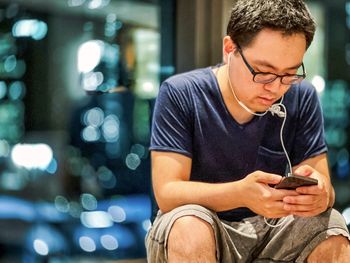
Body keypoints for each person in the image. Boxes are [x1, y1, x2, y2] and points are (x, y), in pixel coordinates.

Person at [145, 0, 350, 262]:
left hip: (273, 226)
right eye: (264, 73)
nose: (276, 89)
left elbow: (326, 188)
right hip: (203, 222)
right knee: (189, 227)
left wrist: (319, 195)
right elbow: (168, 193)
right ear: (229, 49)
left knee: (330, 223)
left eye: (289, 74)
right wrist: (241, 194)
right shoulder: (181, 94)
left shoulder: (302, 96)